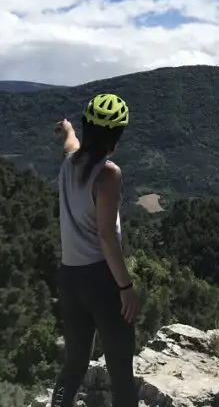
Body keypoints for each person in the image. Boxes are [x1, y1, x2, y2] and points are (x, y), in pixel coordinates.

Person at [49, 93, 140, 407]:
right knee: (120, 372)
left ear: (88, 128)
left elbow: (70, 144)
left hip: (69, 277)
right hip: (101, 279)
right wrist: (126, 287)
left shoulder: (69, 163)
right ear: (117, 135)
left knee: (74, 364)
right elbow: (106, 235)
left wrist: (68, 129)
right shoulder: (108, 174)